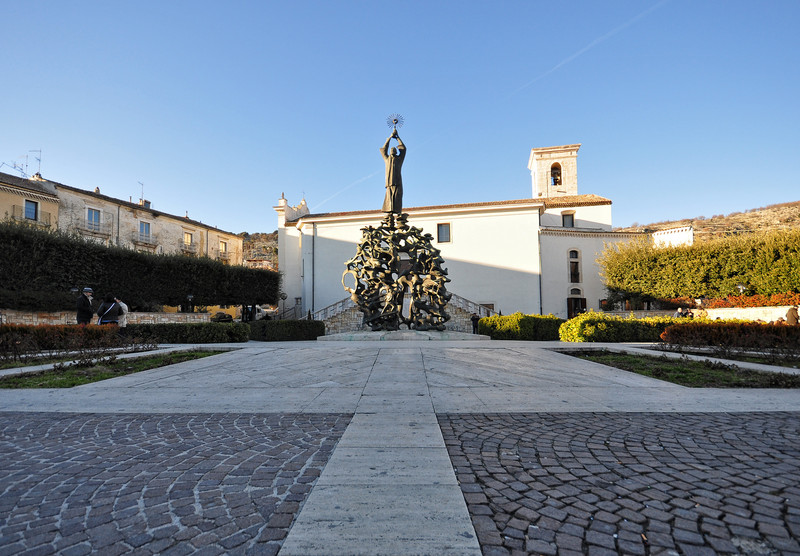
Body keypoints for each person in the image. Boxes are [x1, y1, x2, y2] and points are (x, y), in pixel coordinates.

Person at [381, 128, 406, 215]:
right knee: (389, 199)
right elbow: (383, 149)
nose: (392, 150)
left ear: (396, 151)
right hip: (389, 183)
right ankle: (389, 213)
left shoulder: (399, 159)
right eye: (391, 149)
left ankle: (397, 213)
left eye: (394, 149)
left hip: (397, 182)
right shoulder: (387, 159)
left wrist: (398, 138)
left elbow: (403, 149)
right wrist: (389, 138)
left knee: (397, 197)